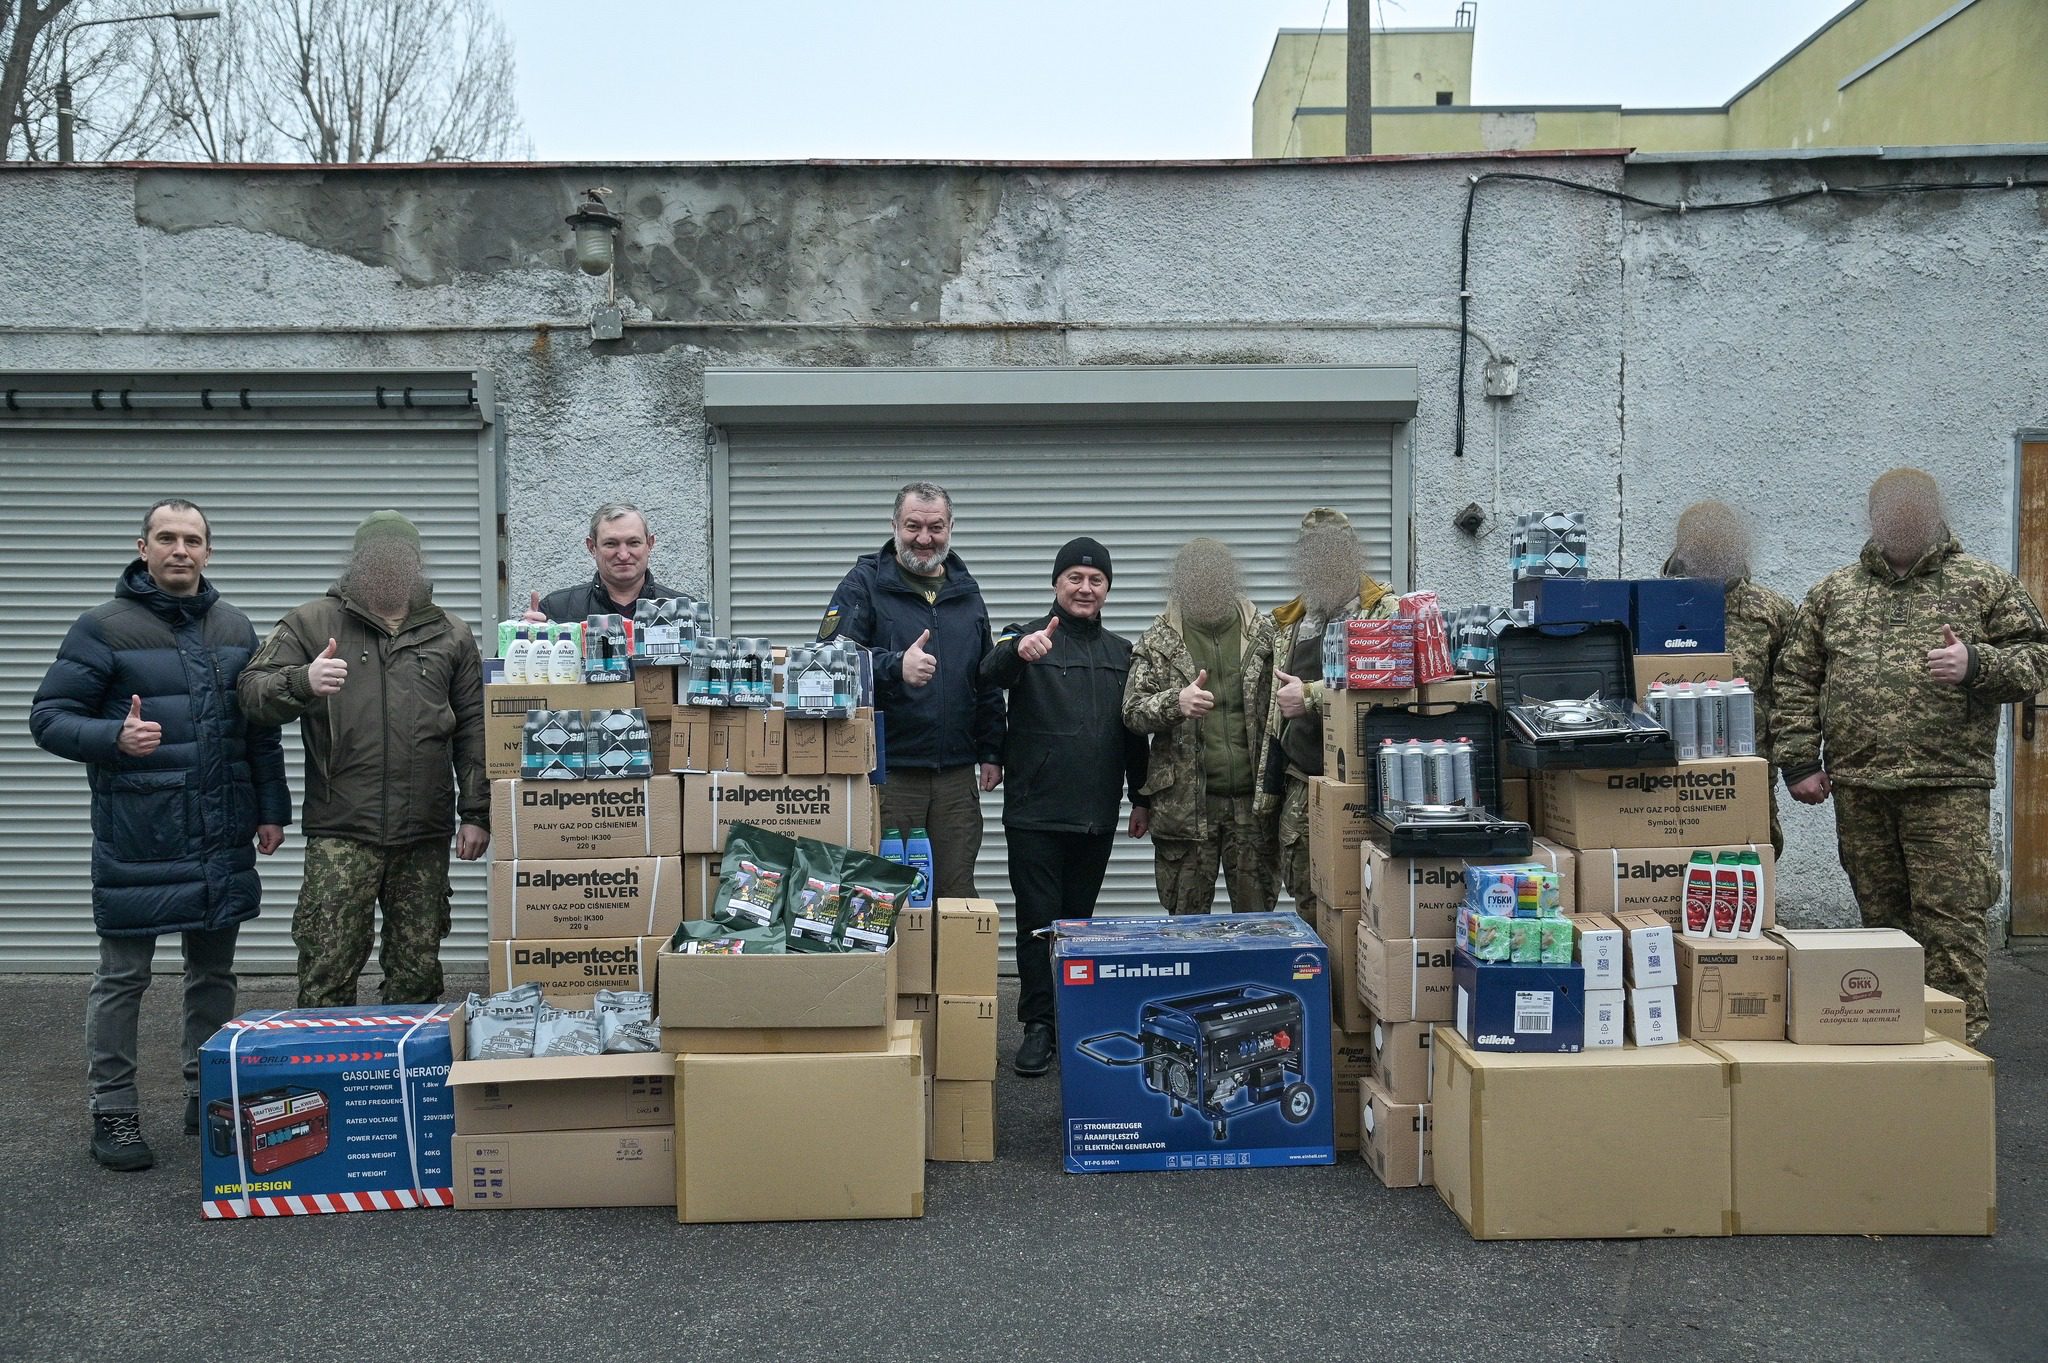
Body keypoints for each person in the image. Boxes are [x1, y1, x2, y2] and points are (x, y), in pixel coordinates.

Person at [31, 499, 290, 1172]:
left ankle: (206, 1096)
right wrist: (112, 736)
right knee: (123, 978)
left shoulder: (235, 626)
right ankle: (112, 1108)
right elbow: (49, 716)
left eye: (194, 539)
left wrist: (272, 809)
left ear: (208, 551)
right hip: (140, 836)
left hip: (220, 832)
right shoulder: (102, 628)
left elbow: (256, 729)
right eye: (167, 538)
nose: (181, 549)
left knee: (213, 974)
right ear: (142, 547)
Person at [1775, 469, 2048, 1043]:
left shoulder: (1982, 584)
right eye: (1889, 511)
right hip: (1860, 787)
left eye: (1912, 510)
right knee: (1884, 928)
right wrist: (1800, 762)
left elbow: (2037, 660)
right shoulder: (1835, 592)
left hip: (1947, 786)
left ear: (1932, 514)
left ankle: (1956, 1048)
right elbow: (1797, 677)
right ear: (1873, 518)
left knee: (1951, 924)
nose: (1900, 520)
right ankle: (1896, 1041)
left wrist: (1977, 665)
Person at [239, 511, 490, 1009]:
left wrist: (477, 813)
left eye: (401, 557)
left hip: (423, 832)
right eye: (378, 556)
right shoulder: (312, 623)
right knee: (327, 967)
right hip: (341, 829)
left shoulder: (451, 634)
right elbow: (251, 693)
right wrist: (301, 682)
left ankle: (407, 1080)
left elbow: (475, 728)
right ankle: (326, 1079)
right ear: (358, 562)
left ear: (417, 564)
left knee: (417, 974)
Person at [980, 537, 1149, 1077]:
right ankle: (1037, 1026)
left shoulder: (1125, 654)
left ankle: (1071, 1019)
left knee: (1079, 924)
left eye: (1095, 579)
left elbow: (1134, 734)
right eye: (1074, 577)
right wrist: (1016, 651)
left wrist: (1140, 796)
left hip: (1096, 812)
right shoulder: (1027, 637)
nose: (1085, 587)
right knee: (1037, 923)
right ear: (1056, 584)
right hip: (1034, 811)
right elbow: (989, 673)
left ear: (1107, 590)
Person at [820, 481, 1005, 896]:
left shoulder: (966, 591)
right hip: (891, 775)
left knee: (955, 893)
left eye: (935, 527)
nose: (924, 539)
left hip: (956, 776)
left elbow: (986, 678)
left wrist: (992, 749)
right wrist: (893, 665)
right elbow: (827, 662)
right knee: (885, 896)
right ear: (894, 526)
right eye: (913, 527)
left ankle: (950, 964)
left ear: (951, 527)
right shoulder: (863, 584)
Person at [1123, 537, 1279, 915]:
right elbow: (1132, 711)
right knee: (1186, 929)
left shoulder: (1266, 636)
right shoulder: (1159, 641)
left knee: (1256, 926)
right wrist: (1175, 702)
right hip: (1186, 811)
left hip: (1251, 808)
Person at [1255, 508, 1396, 922]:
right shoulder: (1290, 621)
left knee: (1365, 899)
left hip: (1361, 789)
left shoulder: (1384, 611)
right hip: (1301, 782)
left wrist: (1311, 696)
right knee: (1307, 896)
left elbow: (1391, 685)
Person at [1662, 499, 1799, 855]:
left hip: (1746, 764)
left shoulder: (1771, 610)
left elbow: (1793, 689)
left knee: (1753, 853)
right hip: (1666, 766)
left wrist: (1796, 761)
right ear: (1683, 549)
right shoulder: (1653, 605)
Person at [522, 501, 685, 622]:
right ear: (592, 547)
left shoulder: (684, 611)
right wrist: (522, 638)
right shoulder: (555, 610)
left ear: (650, 544)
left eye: (633, 543)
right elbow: (504, 666)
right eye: (610, 544)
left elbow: (707, 667)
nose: (623, 555)